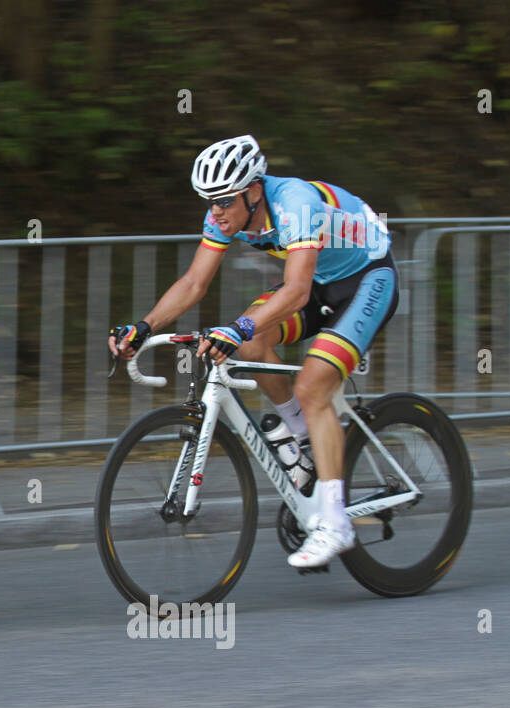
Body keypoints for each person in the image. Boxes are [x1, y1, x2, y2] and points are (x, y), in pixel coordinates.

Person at [109, 134, 397, 570]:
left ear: (254, 191)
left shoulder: (295, 201)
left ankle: (336, 523)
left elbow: (297, 290)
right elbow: (193, 283)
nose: (216, 212)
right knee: (248, 340)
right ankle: (303, 440)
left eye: (224, 201)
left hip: (368, 278)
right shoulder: (226, 215)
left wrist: (238, 324)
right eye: (209, 202)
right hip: (322, 279)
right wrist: (143, 326)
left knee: (313, 384)